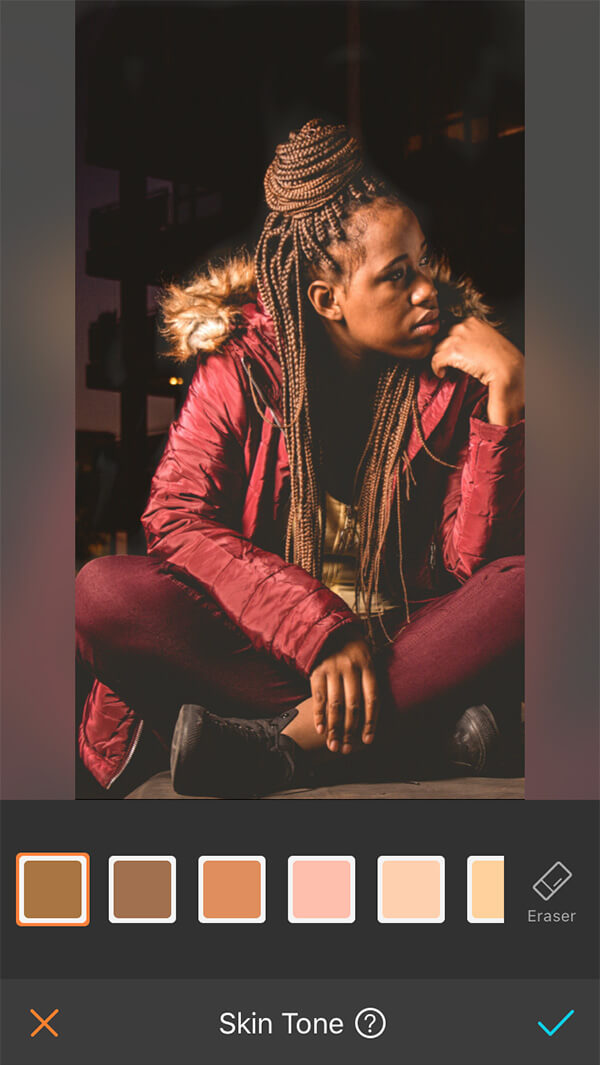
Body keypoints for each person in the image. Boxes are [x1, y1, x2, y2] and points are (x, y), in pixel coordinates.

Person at [76, 118, 524, 797]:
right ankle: (414, 735)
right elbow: (177, 519)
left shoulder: (451, 371)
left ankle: (285, 747)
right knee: (102, 591)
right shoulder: (240, 371)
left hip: (407, 644)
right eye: (397, 277)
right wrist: (320, 631)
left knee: (543, 578)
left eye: (424, 263)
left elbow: (468, 564)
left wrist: (506, 404)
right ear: (328, 300)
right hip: (266, 656)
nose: (427, 289)